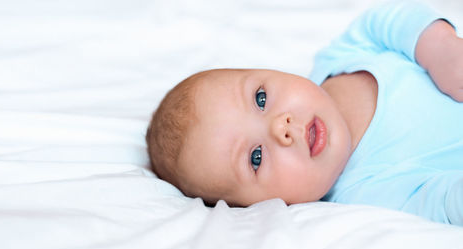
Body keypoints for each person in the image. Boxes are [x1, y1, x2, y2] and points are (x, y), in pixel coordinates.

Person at [146, 1, 463, 226]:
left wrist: (439, 46)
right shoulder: (365, 193)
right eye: (256, 157)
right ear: (263, 206)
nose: (280, 128)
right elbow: (445, 201)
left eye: (260, 98)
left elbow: (384, 20)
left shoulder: (340, 60)